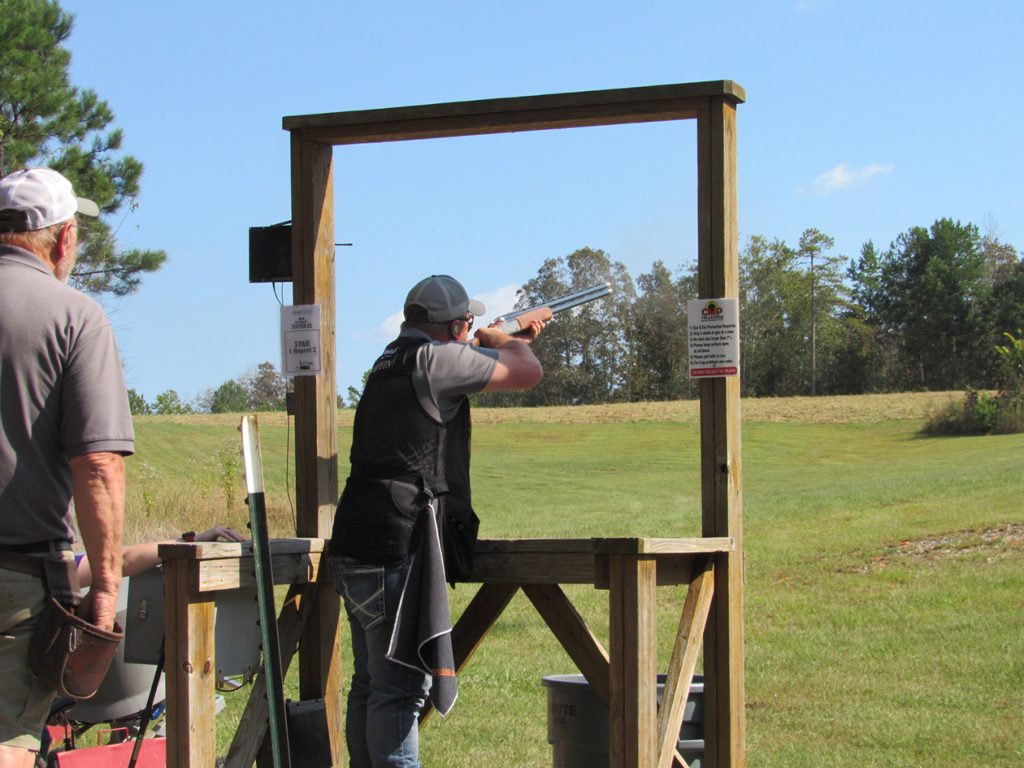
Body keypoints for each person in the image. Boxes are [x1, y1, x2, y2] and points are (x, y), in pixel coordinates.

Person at [327, 274, 545, 768]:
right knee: (401, 688)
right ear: (455, 325)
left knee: (371, 686)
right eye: (466, 322)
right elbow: (527, 371)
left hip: (356, 538)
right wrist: (504, 338)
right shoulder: (440, 358)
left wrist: (498, 339)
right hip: (395, 545)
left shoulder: (388, 360)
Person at [0, 168, 134, 768]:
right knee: (10, 740)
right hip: (17, 582)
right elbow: (99, 465)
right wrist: (105, 587)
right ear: (63, 239)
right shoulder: (74, 316)